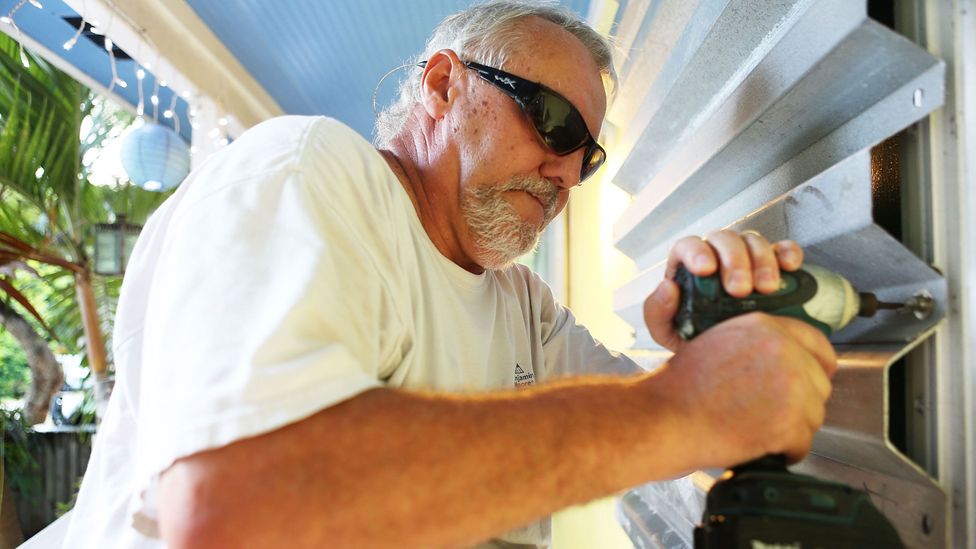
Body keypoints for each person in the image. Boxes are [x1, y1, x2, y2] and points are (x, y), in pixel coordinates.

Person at [62, 1, 836, 548]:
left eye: (587, 156)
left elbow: (677, 424)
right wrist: (682, 405)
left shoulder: (522, 306)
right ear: (441, 86)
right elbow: (236, 509)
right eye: (554, 123)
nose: (566, 172)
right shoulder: (312, 169)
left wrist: (700, 332)